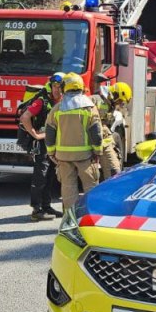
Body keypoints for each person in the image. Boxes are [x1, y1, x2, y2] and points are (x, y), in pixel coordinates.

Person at [46, 73, 103, 212]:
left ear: (64, 88)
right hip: (85, 156)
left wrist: (51, 152)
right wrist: (97, 152)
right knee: (91, 187)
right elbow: (96, 133)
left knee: (68, 189)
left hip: (63, 157)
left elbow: (49, 133)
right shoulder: (90, 107)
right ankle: (91, 217)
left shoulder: (57, 109)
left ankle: (70, 221)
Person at [18, 73, 64, 220]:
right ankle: (36, 210)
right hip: (42, 143)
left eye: (60, 87)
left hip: (54, 143)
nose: (57, 90)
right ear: (50, 86)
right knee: (41, 175)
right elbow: (25, 117)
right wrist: (36, 135)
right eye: (55, 87)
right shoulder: (41, 101)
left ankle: (47, 206)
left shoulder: (62, 101)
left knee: (50, 175)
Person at [91, 73, 122, 182]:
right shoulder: (95, 99)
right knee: (91, 176)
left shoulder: (109, 103)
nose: (120, 105)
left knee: (114, 170)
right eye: (120, 102)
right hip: (91, 141)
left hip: (103, 142)